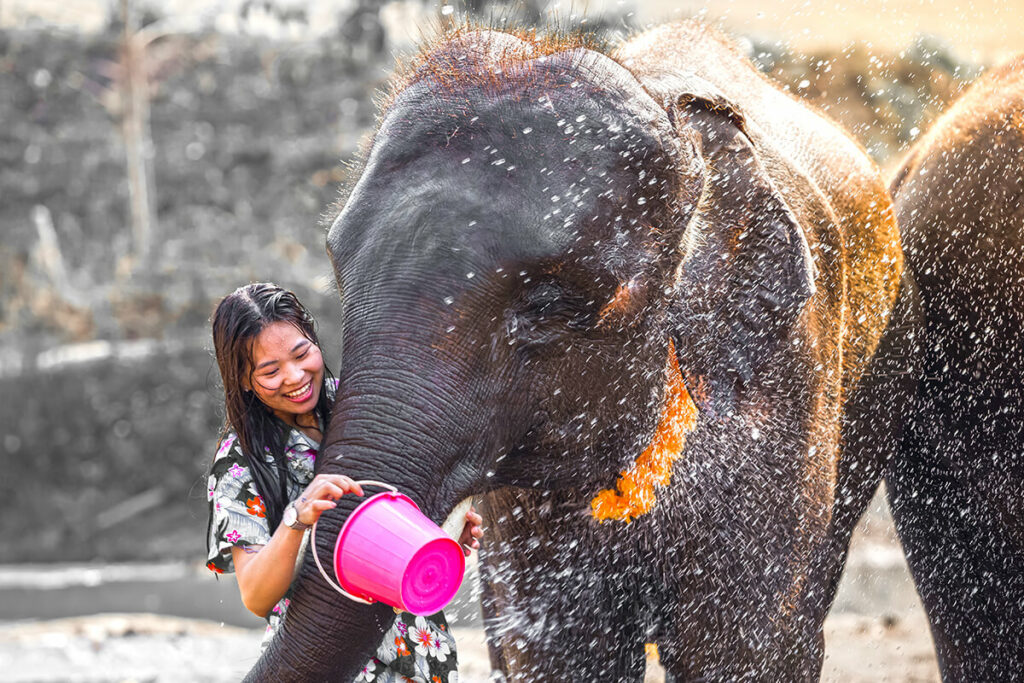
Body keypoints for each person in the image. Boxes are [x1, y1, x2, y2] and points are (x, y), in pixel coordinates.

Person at [205, 282, 482, 681]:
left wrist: (441, 537)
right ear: (244, 380)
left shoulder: (360, 407)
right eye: (270, 371)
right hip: (327, 659)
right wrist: (296, 520)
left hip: (421, 654)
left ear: (315, 341)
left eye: (302, 354)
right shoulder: (240, 461)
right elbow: (256, 595)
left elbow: (397, 516)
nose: (295, 375)